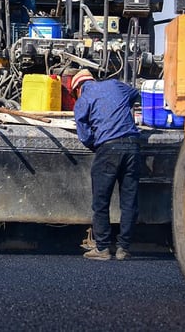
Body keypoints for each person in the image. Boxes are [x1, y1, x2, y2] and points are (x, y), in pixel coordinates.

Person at [71, 69, 141, 261]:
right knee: (129, 201)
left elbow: (84, 135)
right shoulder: (114, 84)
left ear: (78, 88)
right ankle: (123, 249)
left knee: (101, 202)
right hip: (133, 147)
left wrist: (98, 144)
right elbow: (136, 93)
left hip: (108, 149)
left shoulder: (83, 99)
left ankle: (102, 248)